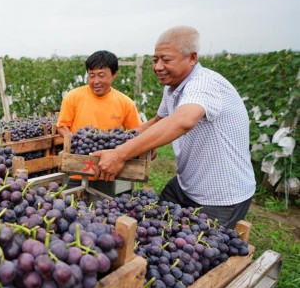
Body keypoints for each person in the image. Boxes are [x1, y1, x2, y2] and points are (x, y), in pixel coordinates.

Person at [92, 26, 255, 229]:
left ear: (192, 58)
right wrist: (125, 140)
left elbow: (183, 120)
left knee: (198, 252)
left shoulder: (204, 83)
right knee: (155, 229)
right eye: (155, 60)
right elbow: (157, 122)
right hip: (187, 184)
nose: (158, 66)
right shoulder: (172, 88)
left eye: (166, 60)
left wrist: (120, 154)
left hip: (220, 195)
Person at [56, 50, 143, 195]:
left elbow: (137, 133)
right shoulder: (73, 97)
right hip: (76, 169)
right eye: (92, 76)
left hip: (106, 173)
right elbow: (62, 126)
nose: (96, 81)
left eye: (101, 75)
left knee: (102, 208)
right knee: (70, 209)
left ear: (114, 74)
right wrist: (75, 143)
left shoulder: (125, 103)